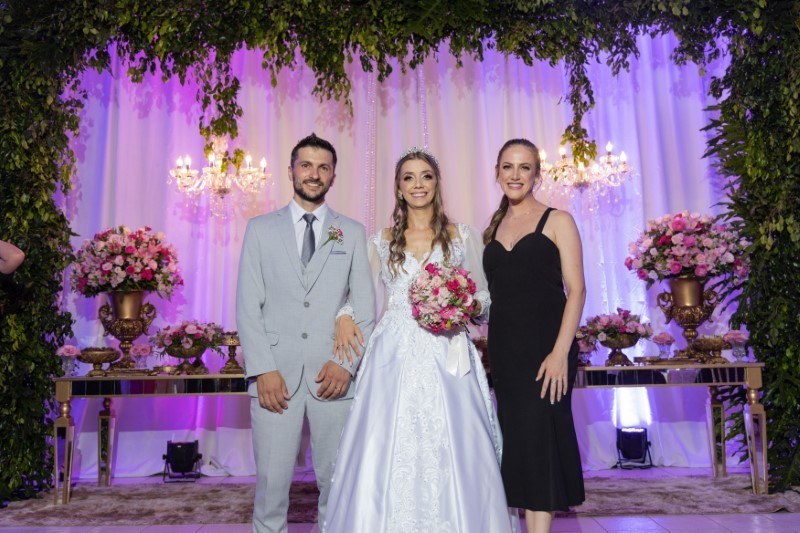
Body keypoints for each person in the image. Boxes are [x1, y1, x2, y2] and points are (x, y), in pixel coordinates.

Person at [324, 148, 514, 533]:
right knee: (387, 444)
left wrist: (461, 302)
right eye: (408, 177)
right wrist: (343, 316)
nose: (418, 185)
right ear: (398, 187)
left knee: (455, 442)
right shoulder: (381, 242)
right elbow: (357, 298)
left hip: (449, 351)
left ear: (436, 182)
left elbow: (486, 300)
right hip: (392, 355)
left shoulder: (463, 237)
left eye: (426, 176)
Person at [236, 133, 376, 533]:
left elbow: (366, 310)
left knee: (337, 482)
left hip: (333, 377)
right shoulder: (260, 229)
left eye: (323, 167)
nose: (314, 174)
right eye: (306, 165)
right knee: (271, 486)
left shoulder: (351, 232)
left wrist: (345, 365)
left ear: (333, 176)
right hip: (274, 377)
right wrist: (263, 369)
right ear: (291, 171)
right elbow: (248, 306)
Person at [482, 138, 586, 533]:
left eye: (524, 167)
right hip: (506, 354)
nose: (515, 175)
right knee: (518, 443)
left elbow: (577, 291)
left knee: (542, 442)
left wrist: (560, 353)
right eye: (507, 166)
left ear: (537, 175)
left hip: (547, 350)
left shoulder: (558, 221)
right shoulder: (491, 229)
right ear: (497, 173)